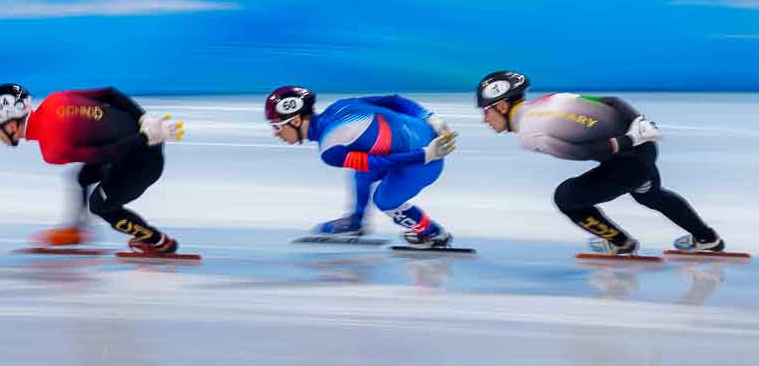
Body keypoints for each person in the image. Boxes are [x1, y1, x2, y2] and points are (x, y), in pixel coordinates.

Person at [475, 69, 723, 257]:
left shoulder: (529, 135)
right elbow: (611, 101)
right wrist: (640, 124)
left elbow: (581, 152)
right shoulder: (551, 99)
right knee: (651, 195)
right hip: (645, 149)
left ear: (503, 105)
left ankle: (619, 243)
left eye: (486, 111)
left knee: (566, 197)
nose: (485, 119)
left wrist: (628, 140)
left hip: (628, 162)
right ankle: (706, 238)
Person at [0, 83, 186, 255]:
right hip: (147, 134)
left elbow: (107, 155)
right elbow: (109, 93)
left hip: (142, 161)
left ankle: (158, 241)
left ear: (9, 125)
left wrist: (145, 138)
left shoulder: (52, 149)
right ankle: (76, 230)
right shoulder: (55, 100)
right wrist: (145, 120)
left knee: (99, 206)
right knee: (84, 176)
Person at [264, 85, 457, 247]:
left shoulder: (330, 149)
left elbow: (380, 162)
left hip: (423, 162)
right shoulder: (340, 106)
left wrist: (426, 155)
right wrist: (432, 119)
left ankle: (432, 232)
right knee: (362, 171)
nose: (276, 134)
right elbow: (394, 100)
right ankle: (355, 221)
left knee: (384, 200)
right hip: (428, 133)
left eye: (277, 126)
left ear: (296, 120)